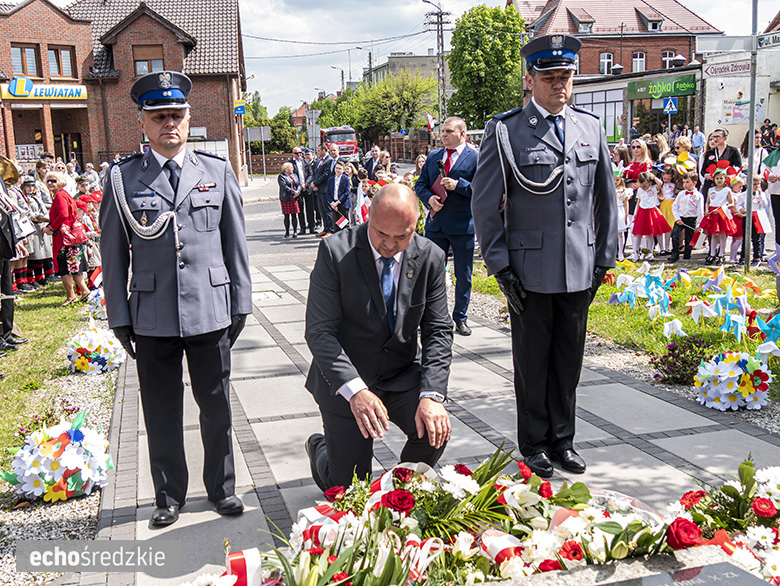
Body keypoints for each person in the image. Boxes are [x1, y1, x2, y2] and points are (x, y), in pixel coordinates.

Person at [100, 71, 252, 527]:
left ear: (189, 118)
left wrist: (240, 303)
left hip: (209, 307)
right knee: (161, 409)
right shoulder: (123, 179)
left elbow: (235, 245)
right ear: (142, 124)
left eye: (177, 115)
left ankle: (222, 488)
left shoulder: (216, 171)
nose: (170, 124)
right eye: (159, 116)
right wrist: (119, 317)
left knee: (216, 404)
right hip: (153, 314)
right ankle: (168, 496)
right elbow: (111, 256)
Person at [471, 34, 617, 478]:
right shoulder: (507, 130)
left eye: (566, 77)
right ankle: (534, 443)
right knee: (532, 363)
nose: (559, 85)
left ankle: (563, 440)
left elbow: (606, 201)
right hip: (528, 270)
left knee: (568, 362)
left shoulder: (590, 127)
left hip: (578, 267)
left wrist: (605, 259)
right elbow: (485, 204)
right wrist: (499, 265)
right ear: (530, 80)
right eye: (550, 78)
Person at [304, 183, 453, 491]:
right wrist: (356, 391)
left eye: (402, 236)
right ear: (368, 217)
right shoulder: (335, 252)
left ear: (416, 224)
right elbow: (319, 330)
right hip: (347, 378)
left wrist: (432, 396)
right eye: (381, 233)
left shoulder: (430, 257)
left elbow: (438, 330)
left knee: (434, 429)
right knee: (347, 489)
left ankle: (396, 494)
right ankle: (320, 447)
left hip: (399, 375)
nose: (390, 244)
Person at [415, 117, 479, 336]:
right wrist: (429, 199)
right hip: (436, 225)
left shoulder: (475, 158)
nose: (443, 135)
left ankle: (460, 317)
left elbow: (483, 189)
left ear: (462, 134)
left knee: (464, 275)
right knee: (431, 272)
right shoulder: (434, 157)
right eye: (442, 131)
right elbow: (420, 184)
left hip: (462, 225)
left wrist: (459, 185)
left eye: (449, 131)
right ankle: (432, 316)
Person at [43, 172, 89, 305]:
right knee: (74, 267)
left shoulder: (59, 195)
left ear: (61, 182)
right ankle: (84, 291)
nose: (50, 183)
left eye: (53, 180)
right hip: (70, 236)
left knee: (64, 267)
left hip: (64, 237)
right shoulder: (64, 194)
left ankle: (71, 296)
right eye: (48, 181)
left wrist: (52, 227)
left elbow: (63, 215)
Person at [699, 165, 737, 264]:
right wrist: (706, 210)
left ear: (725, 180)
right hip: (712, 214)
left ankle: (721, 254)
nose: (719, 180)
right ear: (714, 179)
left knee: (722, 235)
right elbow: (708, 202)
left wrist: (723, 208)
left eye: (721, 178)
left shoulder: (727, 190)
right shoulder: (711, 190)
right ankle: (712, 254)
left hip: (722, 214)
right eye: (717, 178)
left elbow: (731, 203)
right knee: (713, 235)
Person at [631, 172, 669, 261]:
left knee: (650, 234)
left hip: (651, 212)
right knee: (638, 234)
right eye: (642, 185)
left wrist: (653, 177)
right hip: (642, 212)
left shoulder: (653, 188)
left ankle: (649, 252)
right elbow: (639, 201)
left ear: (650, 183)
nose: (644, 187)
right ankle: (636, 253)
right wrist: (636, 212)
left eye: (645, 185)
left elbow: (660, 183)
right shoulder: (640, 190)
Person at [669, 172, 703, 262]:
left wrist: (699, 225)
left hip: (691, 219)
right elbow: (675, 206)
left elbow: (700, 211)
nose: (685, 184)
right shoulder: (681, 194)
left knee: (689, 238)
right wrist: (677, 219)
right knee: (675, 235)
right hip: (681, 218)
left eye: (687, 182)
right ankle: (675, 253)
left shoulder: (699, 196)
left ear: (694, 183)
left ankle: (687, 254)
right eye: (684, 182)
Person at [701, 127, 742, 195]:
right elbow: (703, 170)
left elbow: (738, 167)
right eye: (714, 137)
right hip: (711, 185)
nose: (715, 139)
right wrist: (706, 175)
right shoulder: (710, 152)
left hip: (726, 185)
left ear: (725, 138)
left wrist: (729, 176)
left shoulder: (733, 151)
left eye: (718, 136)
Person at [311, 144, 334, 237]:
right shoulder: (319, 160)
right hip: (318, 189)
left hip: (324, 189)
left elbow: (326, 175)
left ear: (324, 150)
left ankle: (331, 230)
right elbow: (315, 173)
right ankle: (326, 228)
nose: (318, 152)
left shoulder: (329, 160)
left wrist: (316, 183)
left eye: (319, 150)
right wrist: (313, 183)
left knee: (327, 210)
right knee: (322, 210)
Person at [289, 147, 313, 235]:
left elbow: (311, 174)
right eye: (297, 153)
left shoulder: (306, 162)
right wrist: (299, 185)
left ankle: (311, 227)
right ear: (293, 154)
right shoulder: (290, 163)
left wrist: (305, 184)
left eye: (300, 153)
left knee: (310, 208)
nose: (299, 155)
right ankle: (302, 228)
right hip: (297, 189)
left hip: (307, 187)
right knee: (300, 209)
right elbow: (290, 176)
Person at [325, 159, 352, 234]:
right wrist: (332, 203)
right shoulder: (331, 179)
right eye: (336, 168)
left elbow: (346, 192)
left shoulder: (345, 179)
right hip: (334, 204)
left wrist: (338, 203)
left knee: (344, 224)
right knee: (336, 224)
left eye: (340, 168)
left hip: (343, 204)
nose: (338, 170)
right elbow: (328, 193)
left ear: (343, 170)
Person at [278, 162, 301, 238]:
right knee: (286, 216)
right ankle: (287, 231)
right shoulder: (281, 176)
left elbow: (298, 184)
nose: (293, 169)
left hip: (294, 198)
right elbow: (284, 186)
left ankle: (295, 231)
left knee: (294, 215)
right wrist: (293, 192)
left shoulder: (294, 175)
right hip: (286, 198)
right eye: (291, 168)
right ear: (286, 169)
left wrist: (297, 191)